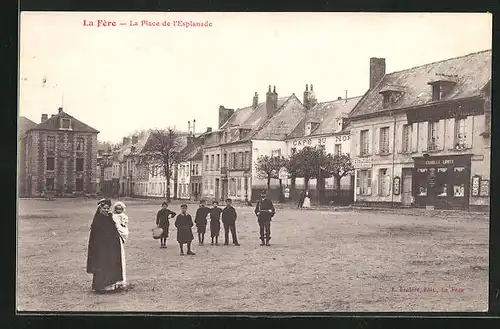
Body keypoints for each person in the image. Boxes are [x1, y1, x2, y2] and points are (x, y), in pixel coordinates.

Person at [87, 199, 126, 293]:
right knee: (102, 266)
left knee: (111, 264)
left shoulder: (109, 217)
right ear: (100, 208)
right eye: (104, 208)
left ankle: (111, 285)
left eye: (108, 208)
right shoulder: (97, 220)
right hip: (101, 248)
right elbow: (95, 237)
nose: (106, 210)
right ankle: (101, 286)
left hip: (110, 247)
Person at [111, 201, 129, 288]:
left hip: (119, 237)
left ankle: (121, 280)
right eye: (117, 209)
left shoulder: (124, 217)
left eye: (120, 209)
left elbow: (124, 226)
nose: (118, 211)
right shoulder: (113, 217)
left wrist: (122, 227)